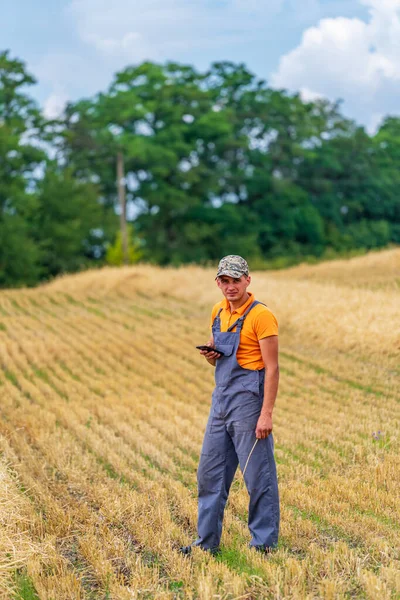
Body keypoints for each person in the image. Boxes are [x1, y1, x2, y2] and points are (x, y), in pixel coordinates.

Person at [180, 255, 280, 556]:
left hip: (249, 401)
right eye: (225, 280)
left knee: (257, 475)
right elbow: (219, 353)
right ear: (217, 282)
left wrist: (266, 413)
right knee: (209, 474)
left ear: (248, 280)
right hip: (221, 398)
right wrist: (211, 356)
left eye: (236, 280)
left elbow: (273, 369)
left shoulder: (262, 316)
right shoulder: (218, 311)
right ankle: (206, 544)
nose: (230, 286)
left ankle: (263, 544)